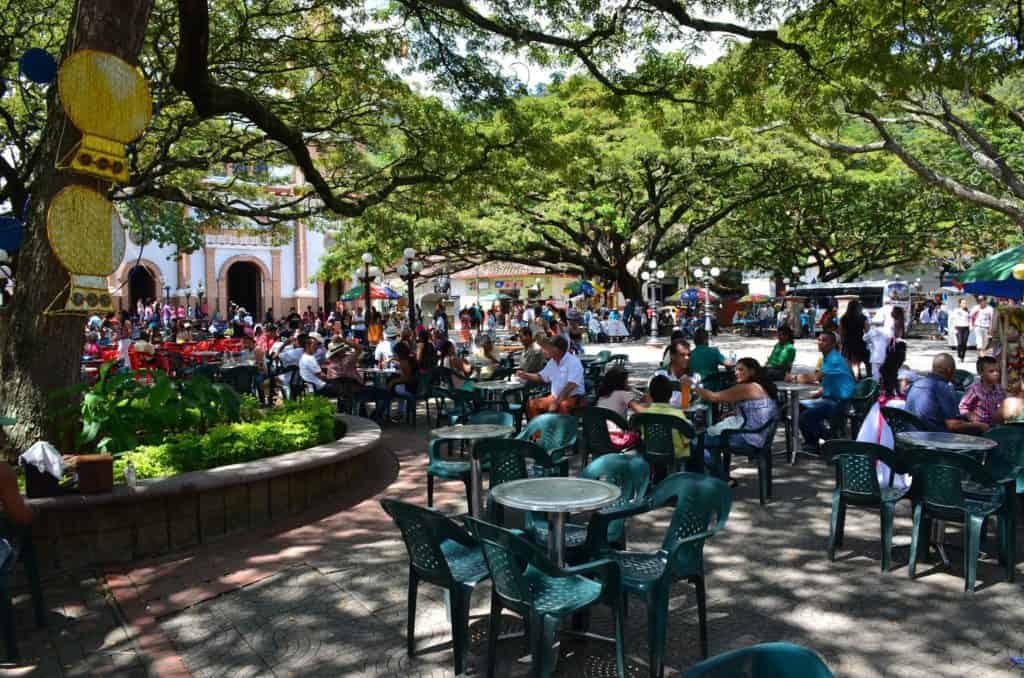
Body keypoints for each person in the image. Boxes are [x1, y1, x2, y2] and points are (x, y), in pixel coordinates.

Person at [688, 358, 778, 480]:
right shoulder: (760, 386)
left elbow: (714, 397)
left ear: (752, 371)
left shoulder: (748, 388)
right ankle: (717, 477)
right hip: (759, 437)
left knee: (696, 442)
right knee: (706, 439)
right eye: (735, 369)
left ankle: (719, 479)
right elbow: (754, 411)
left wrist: (692, 386)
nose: (736, 373)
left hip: (749, 439)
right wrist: (735, 414)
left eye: (741, 369)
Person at [790, 331, 855, 452]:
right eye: (819, 339)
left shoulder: (834, 359)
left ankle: (830, 439)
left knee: (805, 417)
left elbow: (815, 377)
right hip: (831, 398)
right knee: (799, 407)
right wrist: (819, 393)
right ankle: (812, 442)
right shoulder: (828, 357)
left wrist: (793, 378)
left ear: (832, 344)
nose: (820, 342)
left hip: (839, 402)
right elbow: (832, 380)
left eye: (824, 340)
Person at [906, 353, 989, 433]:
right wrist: (979, 426)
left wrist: (966, 416)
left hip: (911, 434)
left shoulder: (915, 384)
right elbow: (952, 425)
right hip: (933, 438)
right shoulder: (943, 387)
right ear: (949, 370)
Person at [518, 335, 585, 418]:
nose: (544, 351)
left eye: (547, 348)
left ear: (557, 350)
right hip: (555, 397)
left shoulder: (573, 362)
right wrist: (525, 375)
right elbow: (541, 377)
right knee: (531, 404)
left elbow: (571, 385)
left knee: (563, 406)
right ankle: (538, 431)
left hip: (573, 397)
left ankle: (562, 430)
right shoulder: (552, 362)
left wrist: (556, 402)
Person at [633, 375, 691, 463]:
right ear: (670, 395)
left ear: (650, 395)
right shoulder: (677, 415)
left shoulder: (643, 415)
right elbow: (688, 437)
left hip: (650, 452)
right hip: (675, 455)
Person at [958, 356, 1005, 427]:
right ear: (980, 373)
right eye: (991, 371)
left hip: (996, 426)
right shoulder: (974, 390)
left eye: (998, 371)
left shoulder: (999, 389)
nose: (996, 374)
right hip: (981, 427)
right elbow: (962, 407)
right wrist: (971, 416)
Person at [651, 339, 691, 407]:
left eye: (689, 355)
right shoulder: (660, 374)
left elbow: (686, 405)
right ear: (672, 356)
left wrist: (686, 388)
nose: (687, 358)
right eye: (682, 355)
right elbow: (649, 399)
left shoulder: (693, 376)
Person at [387, 341, 418, 421]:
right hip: (415, 386)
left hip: (409, 388)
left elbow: (406, 378)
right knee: (394, 384)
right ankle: (400, 411)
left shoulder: (404, 362)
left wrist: (393, 382)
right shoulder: (410, 358)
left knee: (388, 389)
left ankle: (387, 413)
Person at [839, 300, 869, 379]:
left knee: (849, 361)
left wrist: (842, 342)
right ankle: (857, 376)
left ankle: (852, 377)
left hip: (847, 342)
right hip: (859, 341)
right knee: (857, 361)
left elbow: (841, 332)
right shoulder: (862, 317)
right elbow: (867, 330)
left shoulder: (843, 318)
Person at [863, 315, 892, 381]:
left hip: (875, 358)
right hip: (884, 356)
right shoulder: (887, 332)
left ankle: (875, 388)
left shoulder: (871, 332)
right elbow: (889, 343)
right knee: (884, 375)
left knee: (875, 376)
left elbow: (865, 339)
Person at [952, 298, 971, 362]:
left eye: (965, 303)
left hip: (966, 328)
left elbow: (970, 319)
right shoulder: (956, 310)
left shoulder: (967, 311)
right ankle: (959, 355)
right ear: (960, 304)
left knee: (964, 343)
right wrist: (954, 328)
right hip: (958, 327)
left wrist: (970, 326)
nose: (964, 304)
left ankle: (963, 356)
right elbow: (953, 319)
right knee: (960, 342)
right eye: (963, 303)